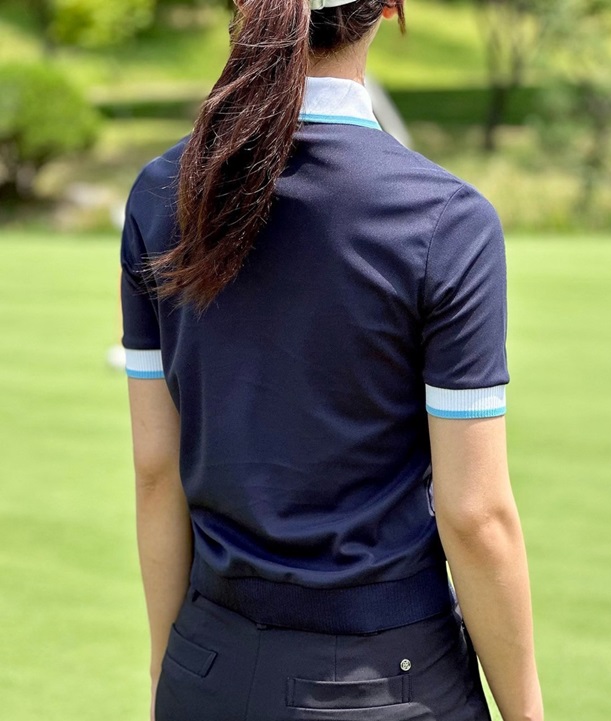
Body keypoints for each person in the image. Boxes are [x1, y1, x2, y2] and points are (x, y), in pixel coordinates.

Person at [120, 1, 544, 720]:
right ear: (389, 7)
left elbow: (157, 472)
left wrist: (174, 671)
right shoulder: (445, 219)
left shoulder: (159, 194)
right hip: (386, 682)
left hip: (206, 668)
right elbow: (474, 517)